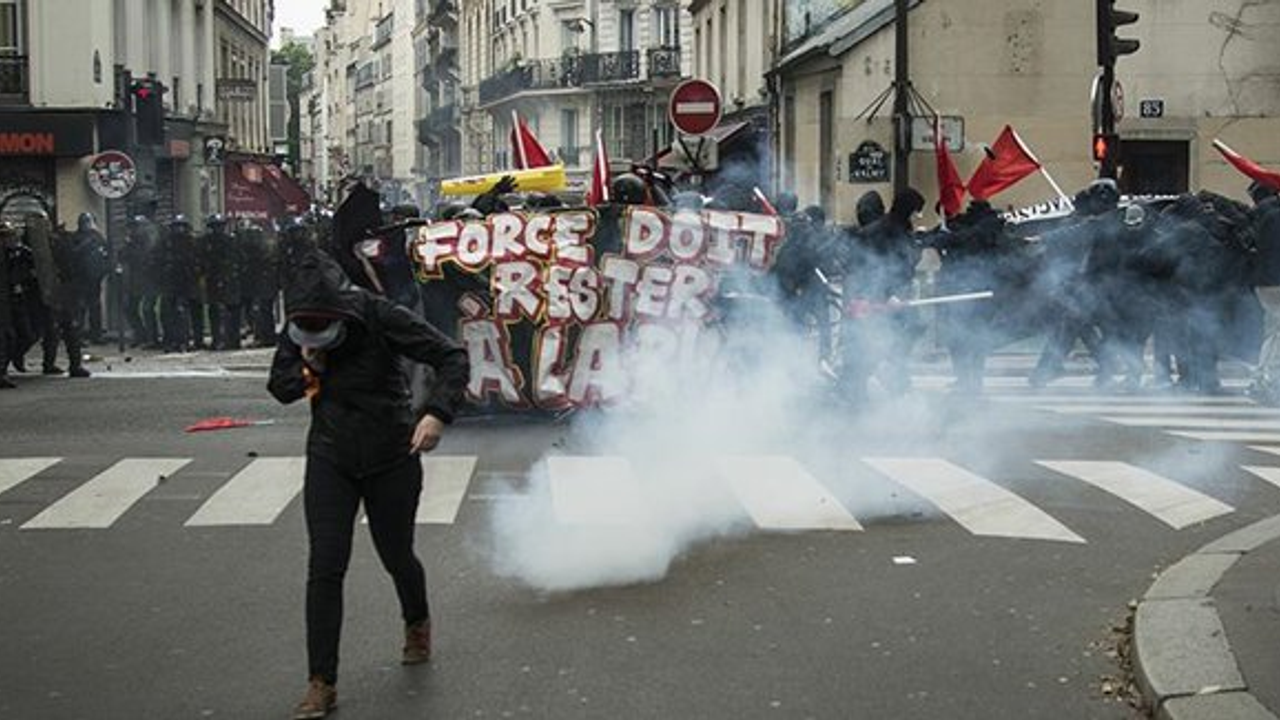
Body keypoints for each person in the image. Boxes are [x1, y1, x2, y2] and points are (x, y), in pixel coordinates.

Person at [267, 252, 469, 720]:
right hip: (330, 453)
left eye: (324, 326)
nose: (316, 332)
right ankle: (322, 683)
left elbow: (451, 357)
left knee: (395, 553)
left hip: (391, 451)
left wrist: (437, 413)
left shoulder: (379, 314)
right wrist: (307, 368)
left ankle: (416, 620)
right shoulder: (300, 324)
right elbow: (279, 386)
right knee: (325, 565)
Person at [1248, 181, 1280, 403]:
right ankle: (1264, 381)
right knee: (1277, 333)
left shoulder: (1265, 215)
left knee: (1274, 330)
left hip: (1265, 280)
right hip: (1276, 280)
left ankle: (1265, 380)